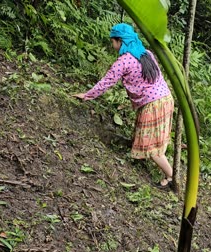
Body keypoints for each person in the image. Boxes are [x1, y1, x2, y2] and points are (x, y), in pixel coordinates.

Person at [72, 23, 174, 189]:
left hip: (152, 105)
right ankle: (166, 171)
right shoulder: (146, 53)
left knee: (151, 146)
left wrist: (87, 95)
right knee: (156, 139)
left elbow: (107, 82)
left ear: (120, 41)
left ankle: (171, 176)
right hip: (165, 99)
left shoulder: (123, 61)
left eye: (113, 41)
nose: (112, 45)